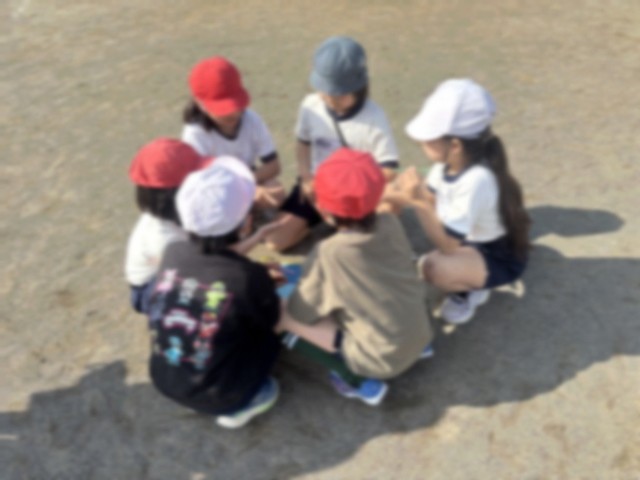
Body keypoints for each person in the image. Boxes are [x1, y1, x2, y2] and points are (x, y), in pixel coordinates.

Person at [277, 148, 434, 406]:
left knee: (283, 313)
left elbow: (301, 313)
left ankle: (357, 380)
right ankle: (418, 349)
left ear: (323, 208)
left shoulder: (328, 253)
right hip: (420, 334)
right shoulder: (390, 222)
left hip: (380, 361)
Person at [145, 157, 282, 429]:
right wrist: (268, 286)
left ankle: (200, 394)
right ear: (246, 223)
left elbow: (214, 263)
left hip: (163, 379)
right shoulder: (248, 276)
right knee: (271, 342)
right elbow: (271, 320)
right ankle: (241, 407)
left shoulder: (173, 251)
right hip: (221, 395)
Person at [392, 78, 530, 324]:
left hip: (496, 256)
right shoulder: (446, 165)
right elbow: (430, 196)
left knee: (433, 268)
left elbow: (447, 245)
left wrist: (418, 201)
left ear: (454, 145)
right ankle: (469, 274)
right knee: (428, 254)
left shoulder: (476, 180)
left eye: (428, 139)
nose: (420, 143)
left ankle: (470, 290)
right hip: (469, 241)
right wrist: (390, 193)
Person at [265, 36, 400, 251]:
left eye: (338, 95)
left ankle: (343, 229)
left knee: (389, 208)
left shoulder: (374, 117)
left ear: (359, 88)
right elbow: (303, 143)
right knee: (274, 241)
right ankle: (323, 224)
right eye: (325, 92)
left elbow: (389, 169)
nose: (329, 99)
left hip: (356, 196)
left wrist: (356, 188)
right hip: (317, 188)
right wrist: (306, 178)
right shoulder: (311, 106)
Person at [181, 56, 285, 210]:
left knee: (276, 190)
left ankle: (248, 215)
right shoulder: (195, 135)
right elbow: (202, 183)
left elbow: (274, 166)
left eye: (235, 105)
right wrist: (240, 191)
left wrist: (248, 185)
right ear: (199, 103)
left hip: (247, 177)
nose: (233, 113)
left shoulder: (252, 119)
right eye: (222, 109)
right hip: (214, 189)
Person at [124, 138, 210, 313]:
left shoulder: (177, 213)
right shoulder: (161, 236)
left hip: (181, 263)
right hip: (151, 287)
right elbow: (197, 269)